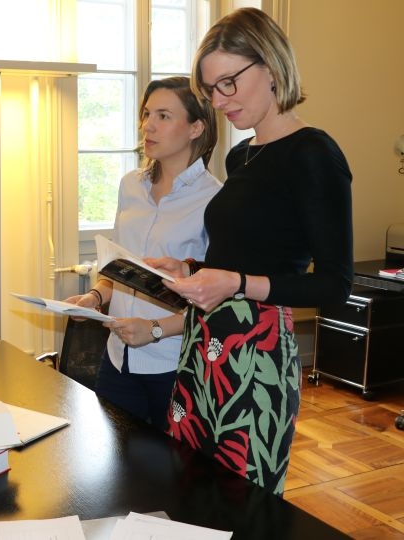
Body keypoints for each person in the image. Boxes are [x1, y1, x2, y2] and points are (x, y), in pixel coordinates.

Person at [146, 7, 353, 495]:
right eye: (210, 90)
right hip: (203, 343)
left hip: (256, 357)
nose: (218, 102)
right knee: (189, 489)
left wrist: (236, 283)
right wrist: (192, 268)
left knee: (243, 502)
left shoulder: (314, 154)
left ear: (271, 65)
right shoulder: (242, 155)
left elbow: (334, 285)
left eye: (228, 84)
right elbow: (243, 253)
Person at [65, 77, 221, 431]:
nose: (148, 125)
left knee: (169, 476)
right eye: (147, 113)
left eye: (164, 116)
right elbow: (119, 270)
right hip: (118, 358)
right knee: (113, 469)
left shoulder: (215, 200)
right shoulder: (130, 185)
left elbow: (217, 303)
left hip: (174, 364)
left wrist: (154, 330)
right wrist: (94, 297)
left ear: (197, 127)